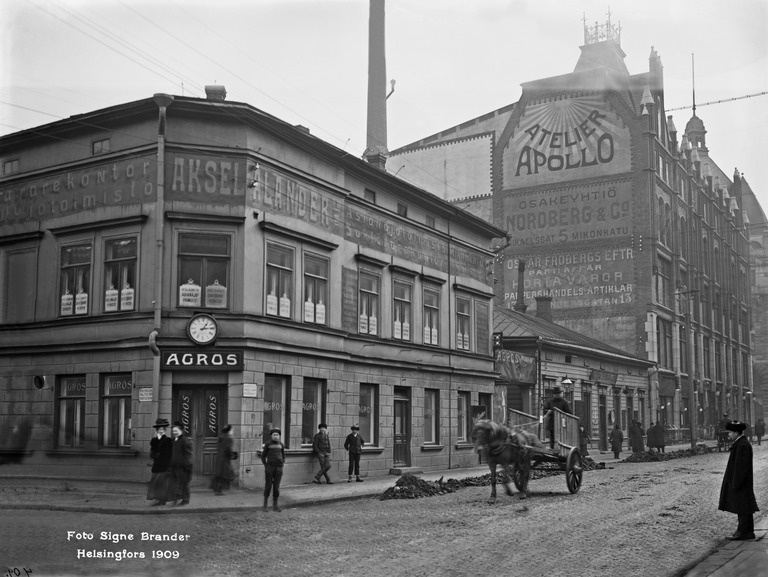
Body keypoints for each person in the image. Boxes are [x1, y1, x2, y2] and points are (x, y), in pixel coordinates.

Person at [718, 421, 759, 540]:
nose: (729, 435)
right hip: (742, 482)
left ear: (736, 433)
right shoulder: (741, 443)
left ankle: (742, 532)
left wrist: (735, 483)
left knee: (742, 507)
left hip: (740, 483)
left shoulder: (742, 445)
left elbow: (741, 467)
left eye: (730, 432)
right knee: (745, 507)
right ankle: (748, 531)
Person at [147, 418, 172, 506]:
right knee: (156, 482)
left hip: (164, 465)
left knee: (163, 484)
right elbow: (152, 453)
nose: (161, 431)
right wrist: (156, 454)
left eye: (162, 429)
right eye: (159, 429)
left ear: (165, 430)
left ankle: (162, 500)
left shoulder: (168, 441)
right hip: (157, 465)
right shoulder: (154, 441)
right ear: (157, 430)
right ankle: (158, 499)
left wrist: (168, 465)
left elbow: (169, 455)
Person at [261, 428, 286, 512]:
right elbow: (263, 456)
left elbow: (283, 456)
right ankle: (265, 506)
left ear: (279, 436)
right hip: (270, 468)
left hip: (278, 468)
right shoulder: (268, 444)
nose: (275, 436)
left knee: (276, 487)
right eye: (274, 435)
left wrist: (282, 465)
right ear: (271, 436)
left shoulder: (281, 445)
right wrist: (266, 465)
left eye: (277, 435)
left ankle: (275, 506)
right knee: (268, 486)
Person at [169, 421, 193, 506]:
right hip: (175, 465)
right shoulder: (173, 441)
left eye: (176, 431)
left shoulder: (184, 441)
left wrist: (187, 465)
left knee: (184, 483)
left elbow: (188, 454)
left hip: (183, 466)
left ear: (181, 431)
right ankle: (175, 498)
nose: (174, 432)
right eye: (173, 431)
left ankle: (185, 499)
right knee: (175, 483)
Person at [210, 424, 236, 496]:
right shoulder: (229, 439)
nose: (233, 431)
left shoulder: (221, 437)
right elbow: (228, 449)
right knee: (226, 474)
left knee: (220, 474)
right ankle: (219, 490)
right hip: (225, 459)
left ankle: (217, 489)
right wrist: (232, 455)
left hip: (219, 458)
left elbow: (219, 448)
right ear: (229, 431)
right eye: (232, 430)